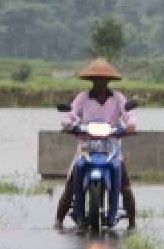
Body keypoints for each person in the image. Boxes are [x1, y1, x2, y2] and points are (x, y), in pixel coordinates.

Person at [54, 58, 137, 231]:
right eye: (96, 80)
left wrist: (128, 127)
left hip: (112, 146)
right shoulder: (82, 98)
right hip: (86, 145)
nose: (100, 83)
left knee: (125, 185)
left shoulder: (118, 98)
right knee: (70, 184)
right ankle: (58, 221)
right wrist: (69, 125)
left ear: (108, 81)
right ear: (91, 81)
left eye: (103, 80)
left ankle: (132, 222)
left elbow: (129, 116)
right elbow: (70, 114)